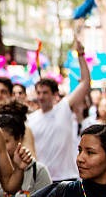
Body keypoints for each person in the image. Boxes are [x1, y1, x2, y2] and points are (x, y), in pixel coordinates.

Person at [27, 39, 91, 182]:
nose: (41, 96)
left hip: (67, 178)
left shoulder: (63, 108)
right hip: (41, 180)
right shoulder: (30, 120)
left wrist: (81, 55)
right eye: (39, 93)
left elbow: (85, 83)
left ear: (55, 94)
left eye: (45, 93)